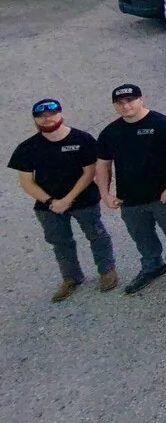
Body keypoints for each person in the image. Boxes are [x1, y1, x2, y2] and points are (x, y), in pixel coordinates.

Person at [9, 99, 117, 302]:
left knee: (97, 235)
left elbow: (89, 172)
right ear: (35, 120)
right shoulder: (27, 148)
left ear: (61, 114)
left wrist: (68, 199)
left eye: (51, 114)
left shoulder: (82, 139)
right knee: (60, 242)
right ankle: (71, 277)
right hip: (49, 206)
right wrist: (52, 202)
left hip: (84, 201)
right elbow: (26, 182)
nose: (47, 119)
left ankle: (107, 271)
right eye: (41, 116)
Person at [96, 84, 166, 294]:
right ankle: (152, 266)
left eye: (130, 100)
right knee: (141, 236)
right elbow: (102, 164)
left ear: (141, 100)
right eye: (120, 103)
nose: (126, 106)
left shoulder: (163, 125)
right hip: (129, 199)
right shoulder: (110, 132)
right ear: (114, 106)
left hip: (162, 196)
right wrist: (105, 194)